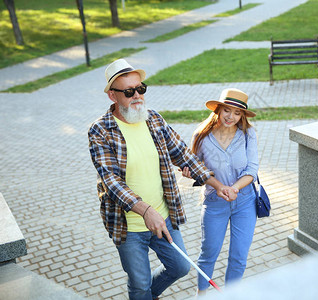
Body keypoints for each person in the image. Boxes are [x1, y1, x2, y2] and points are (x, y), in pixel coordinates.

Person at [88, 58, 237, 300]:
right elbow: (111, 181)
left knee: (180, 267)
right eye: (128, 91)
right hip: (128, 227)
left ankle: (148, 295)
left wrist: (217, 184)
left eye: (140, 88)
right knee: (139, 284)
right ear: (113, 96)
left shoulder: (153, 119)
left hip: (164, 216)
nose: (137, 96)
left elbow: (182, 154)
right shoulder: (100, 130)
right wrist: (146, 211)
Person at [181, 88, 259, 295]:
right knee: (208, 254)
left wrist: (234, 188)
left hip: (245, 202)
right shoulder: (201, 136)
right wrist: (189, 172)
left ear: (242, 115)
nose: (231, 117)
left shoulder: (248, 134)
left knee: (239, 256)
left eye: (237, 113)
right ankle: (202, 294)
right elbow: (196, 168)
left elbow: (252, 170)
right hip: (214, 203)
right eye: (227, 110)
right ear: (218, 110)